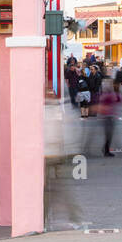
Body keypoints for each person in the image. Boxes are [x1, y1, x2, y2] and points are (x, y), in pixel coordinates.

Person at [43, 87, 86, 230]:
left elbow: (68, 132)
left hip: (55, 156)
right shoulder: (60, 110)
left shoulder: (54, 111)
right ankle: (74, 218)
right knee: (56, 190)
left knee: (57, 189)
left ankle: (44, 219)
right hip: (53, 155)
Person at [96, 78, 120, 157]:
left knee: (109, 134)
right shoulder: (107, 95)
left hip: (109, 116)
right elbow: (117, 99)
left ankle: (106, 149)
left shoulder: (107, 94)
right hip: (107, 117)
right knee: (109, 134)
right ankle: (106, 150)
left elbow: (118, 100)